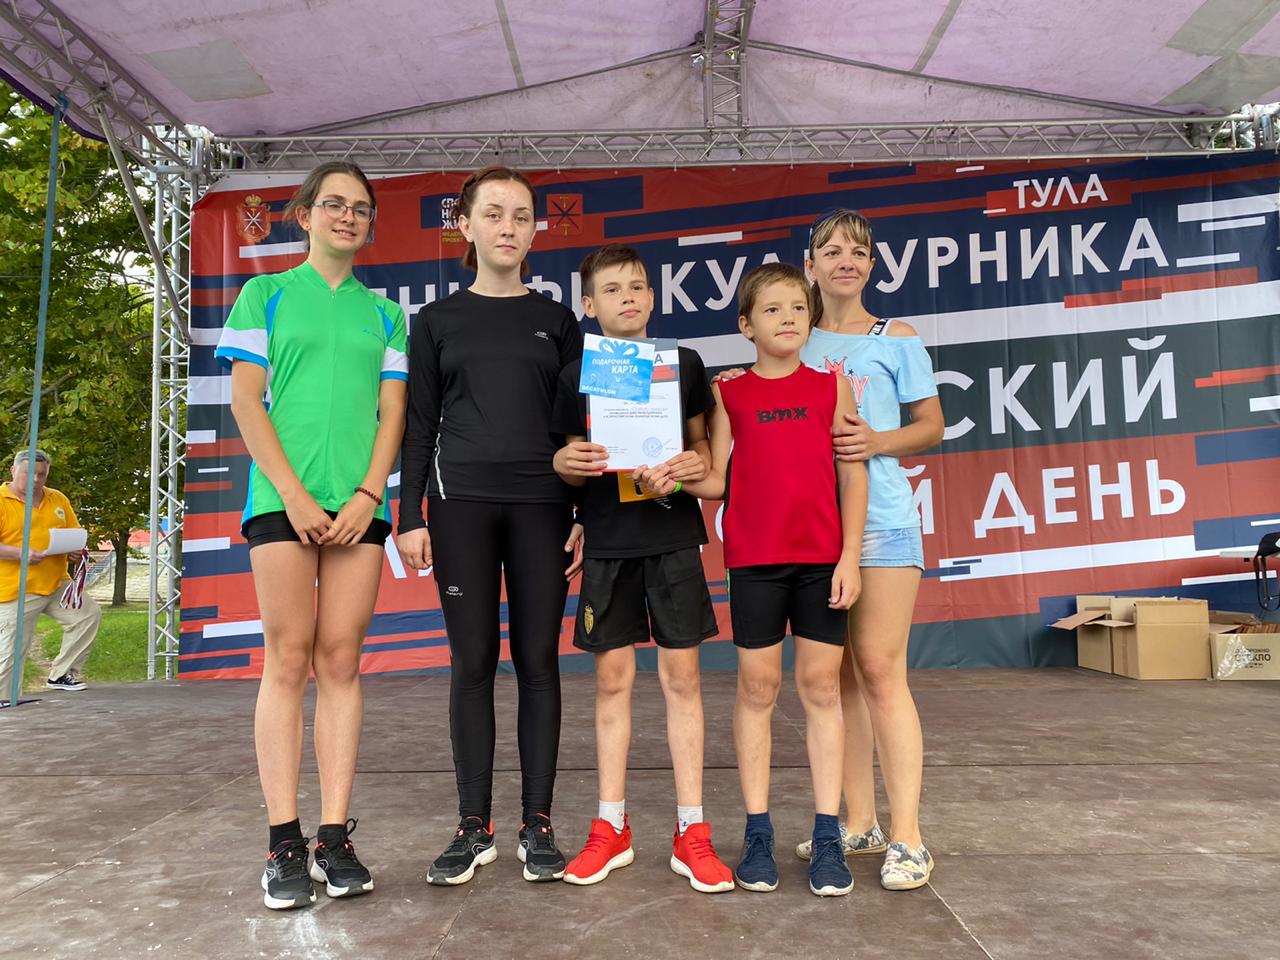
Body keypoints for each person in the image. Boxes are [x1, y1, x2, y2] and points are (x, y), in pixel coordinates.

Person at [216, 160, 408, 910]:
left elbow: (393, 414)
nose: (348, 216)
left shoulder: (386, 314)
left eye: (360, 207)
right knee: (288, 658)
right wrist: (294, 497)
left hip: (360, 507)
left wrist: (369, 493)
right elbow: (245, 402)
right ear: (303, 215)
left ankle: (333, 837)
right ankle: (283, 842)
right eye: (333, 204)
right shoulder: (264, 294)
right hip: (280, 503)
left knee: (341, 662)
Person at [397, 166, 584, 886]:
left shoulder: (558, 321)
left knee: (538, 661)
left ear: (535, 230)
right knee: (472, 662)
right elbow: (419, 426)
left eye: (522, 215)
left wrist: (586, 514)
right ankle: (472, 827)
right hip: (460, 507)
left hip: (544, 508)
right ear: (466, 226)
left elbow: (582, 429)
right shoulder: (435, 321)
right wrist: (409, 515)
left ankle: (538, 826)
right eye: (494, 214)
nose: (509, 227)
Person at [677, 262, 867, 897]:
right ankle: (757, 832)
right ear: (746, 325)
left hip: (822, 563)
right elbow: (717, 479)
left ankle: (828, 834)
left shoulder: (832, 387)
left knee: (821, 688)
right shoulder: (729, 393)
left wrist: (849, 557)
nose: (788, 318)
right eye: (772, 309)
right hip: (754, 562)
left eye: (798, 307)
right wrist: (665, 474)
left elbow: (853, 474)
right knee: (758, 689)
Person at [550, 244, 734, 893]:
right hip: (608, 541)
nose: (627, 297)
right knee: (611, 682)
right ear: (588, 305)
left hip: (672, 535)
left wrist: (692, 465)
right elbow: (568, 461)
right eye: (612, 289)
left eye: (637, 286)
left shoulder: (683, 364)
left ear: (653, 297)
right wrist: (567, 464)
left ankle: (692, 830)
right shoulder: (575, 373)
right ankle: (611, 827)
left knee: (684, 678)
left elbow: (704, 451)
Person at [795, 208, 944, 891]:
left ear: (873, 265)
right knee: (839, 680)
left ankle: (908, 836)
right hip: (811, 529)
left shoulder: (896, 338)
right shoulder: (792, 337)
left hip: (882, 522)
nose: (845, 260)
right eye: (832, 250)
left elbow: (931, 425)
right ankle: (859, 822)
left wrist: (877, 441)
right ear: (810, 265)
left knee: (881, 672)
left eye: (858, 251)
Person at [0, 448, 102, 703]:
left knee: (88, 614)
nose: (35, 480)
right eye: (28, 473)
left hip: (57, 583)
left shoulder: (57, 498)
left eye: (41, 474)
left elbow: (74, 532)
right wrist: (20, 553)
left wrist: (75, 550)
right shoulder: (1, 500)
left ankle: (62, 674)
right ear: (13, 471)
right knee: (13, 646)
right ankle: (4, 698)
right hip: (15, 589)